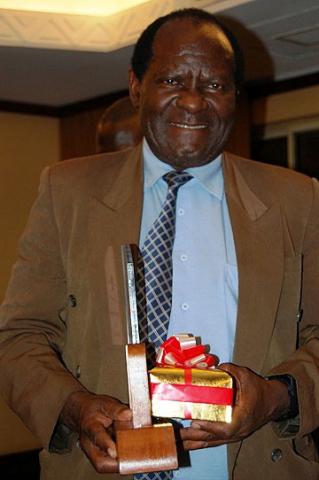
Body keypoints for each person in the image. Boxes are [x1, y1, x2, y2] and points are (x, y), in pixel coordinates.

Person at [1, 7, 319, 480]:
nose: (193, 103)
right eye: (171, 80)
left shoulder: (297, 199)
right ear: (136, 86)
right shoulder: (67, 192)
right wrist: (74, 408)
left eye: (214, 85)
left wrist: (276, 396)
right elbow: (20, 337)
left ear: (235, 95)